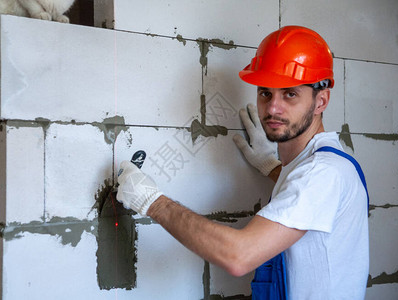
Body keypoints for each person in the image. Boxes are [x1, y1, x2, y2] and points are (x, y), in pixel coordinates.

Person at [116, 26, 369, 299]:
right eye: (265, 93)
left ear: (321, 101)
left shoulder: (322, 173)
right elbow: (305, 193)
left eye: (290, 94)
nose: (272, 108)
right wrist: (271, 167)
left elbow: (239, 255)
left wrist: (152, 202)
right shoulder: (321, 165)